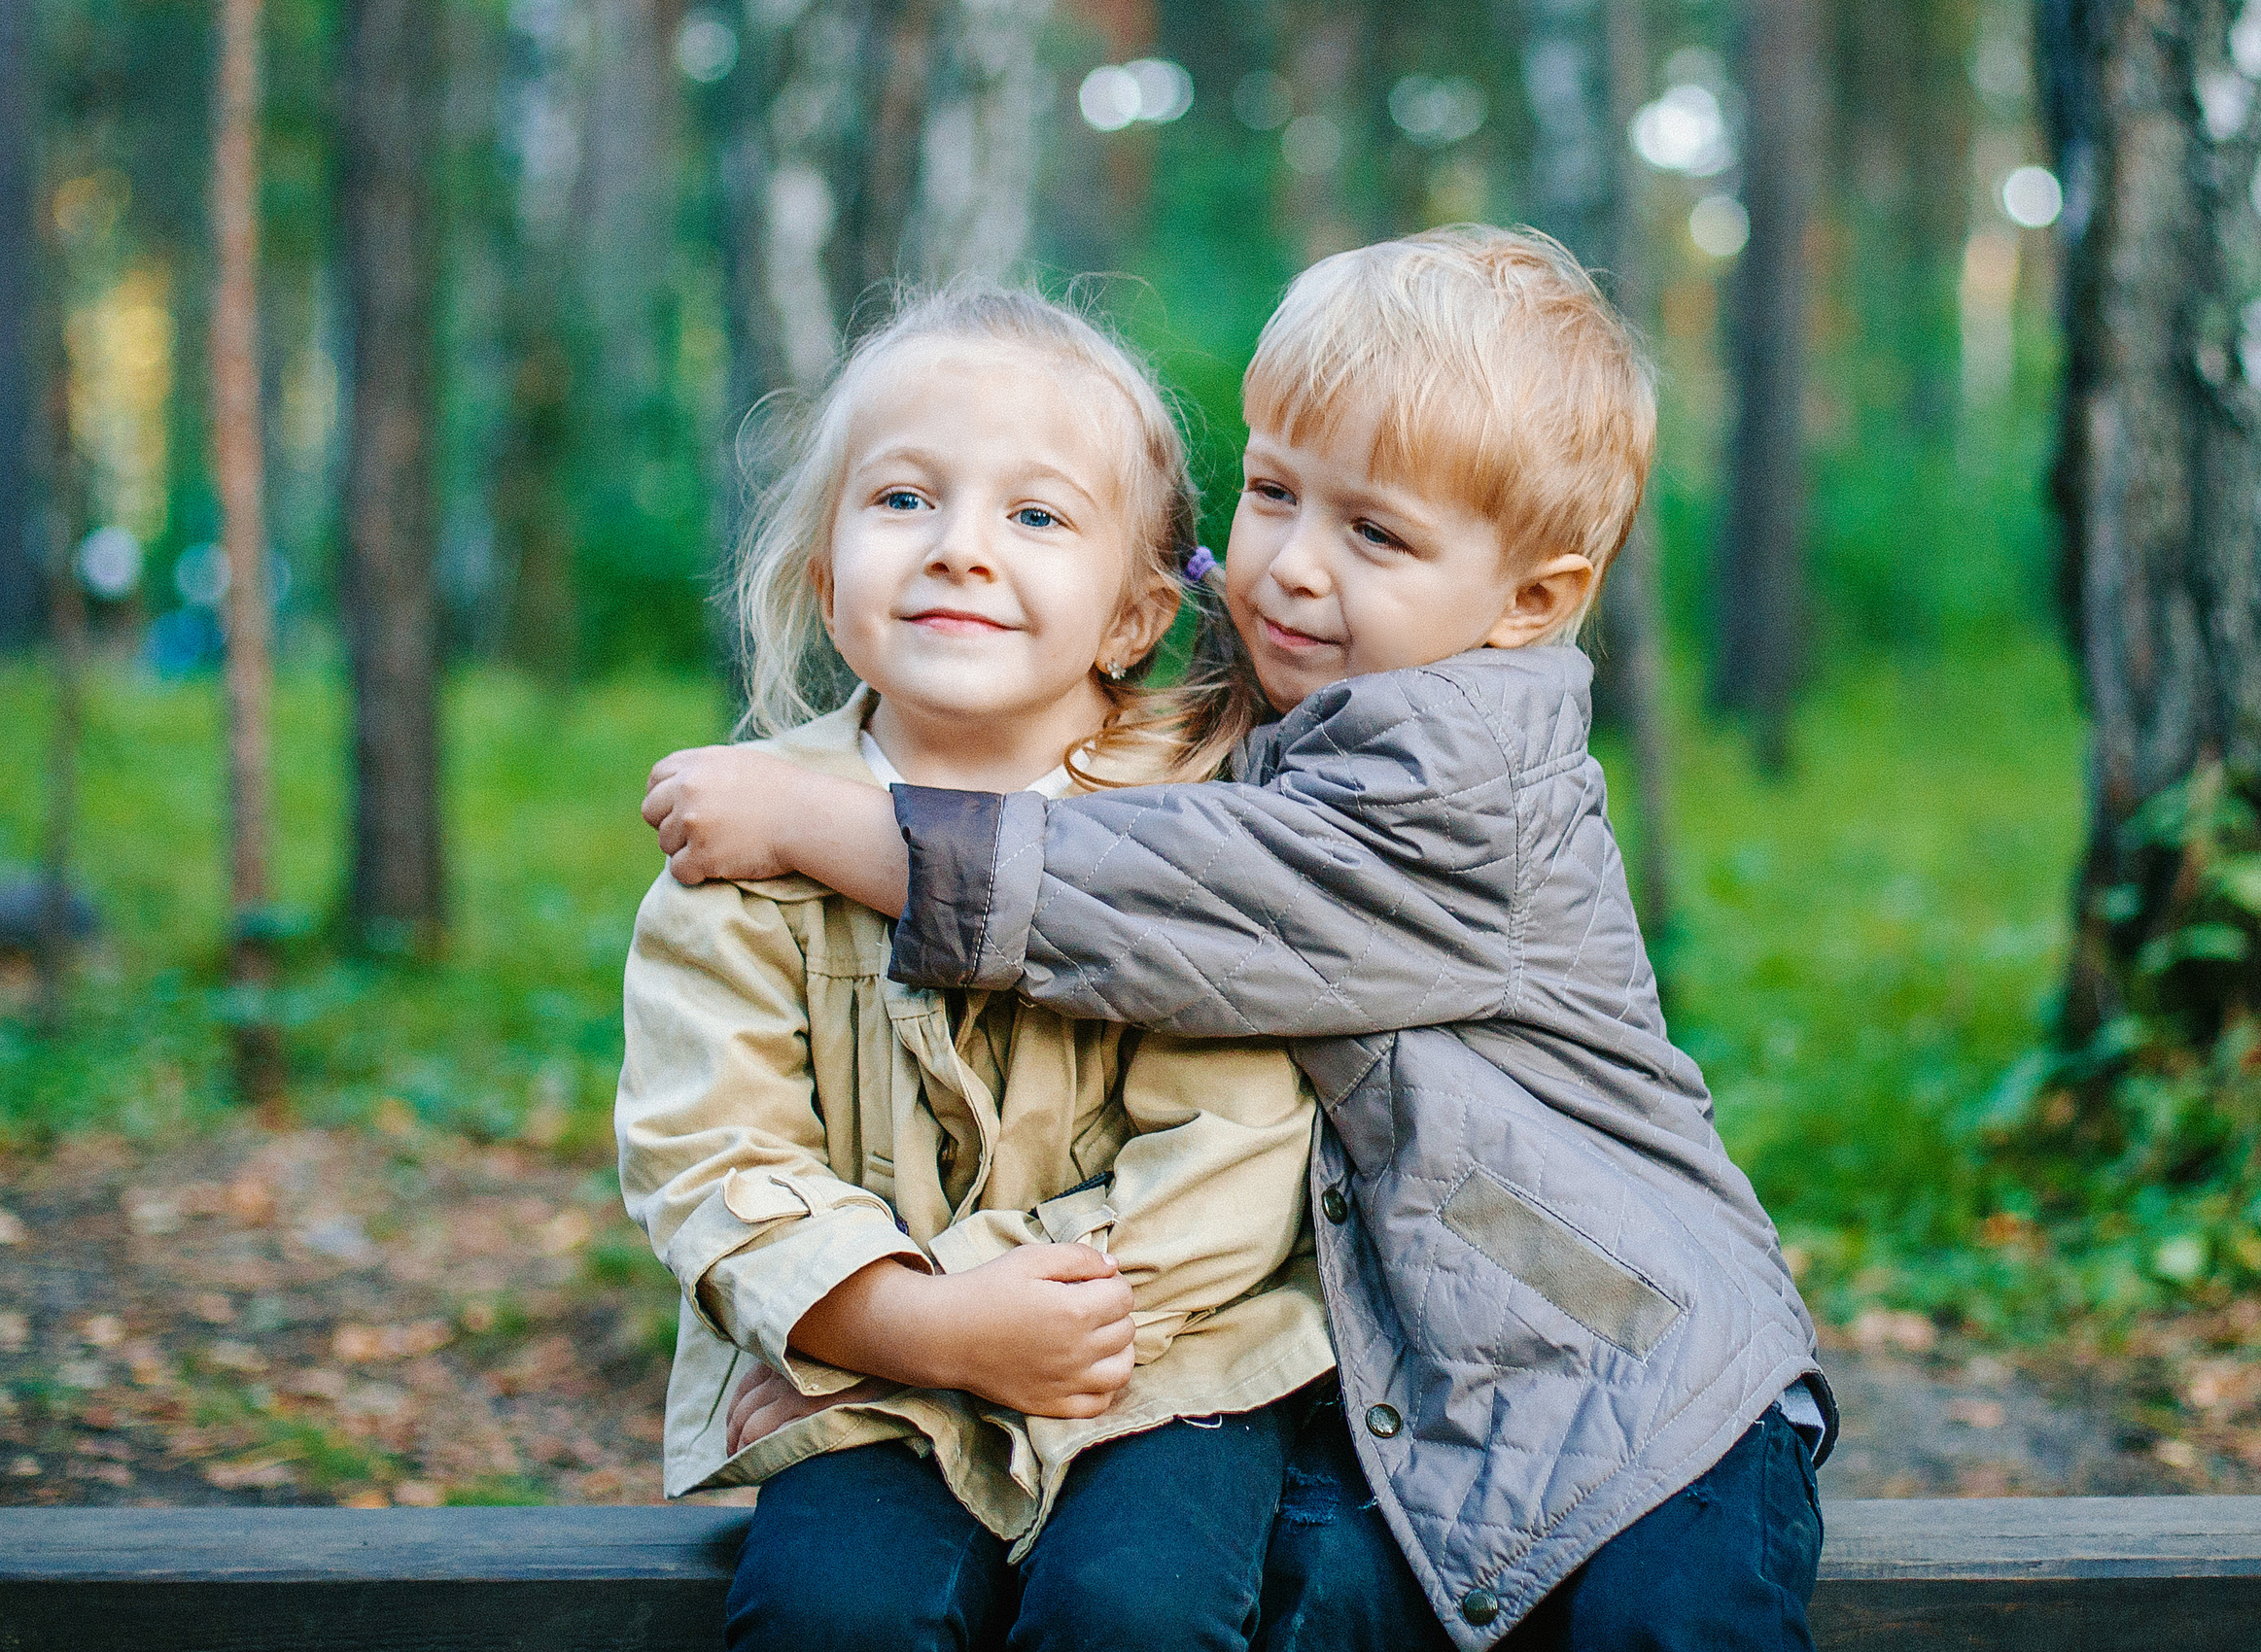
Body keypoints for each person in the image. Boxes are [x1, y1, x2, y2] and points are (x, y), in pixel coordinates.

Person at [646, 227, 1835, 1651]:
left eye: (1374, 532)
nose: (1288, 569)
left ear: (1532, 603)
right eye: (1272, 492)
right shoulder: (1278, 692)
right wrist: (866, 1328)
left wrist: (819, 823)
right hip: (1417, 1371)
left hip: (1640, 1364)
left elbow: (1159, 894)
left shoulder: (1459, 787)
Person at [616, 285, 1334, 1652]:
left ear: (1131, 616)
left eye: (1037, 516)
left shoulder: (1191, 827)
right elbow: (708, 1158)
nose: (960, 550)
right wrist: (919, 1329)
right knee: (836, 1615)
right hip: (862, 1372)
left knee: (1140, 1612)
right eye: (903, 501)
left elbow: (1236, 1161)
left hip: (1162, 1367)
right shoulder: (742, 840)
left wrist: (985, 1316)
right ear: (827, 583)